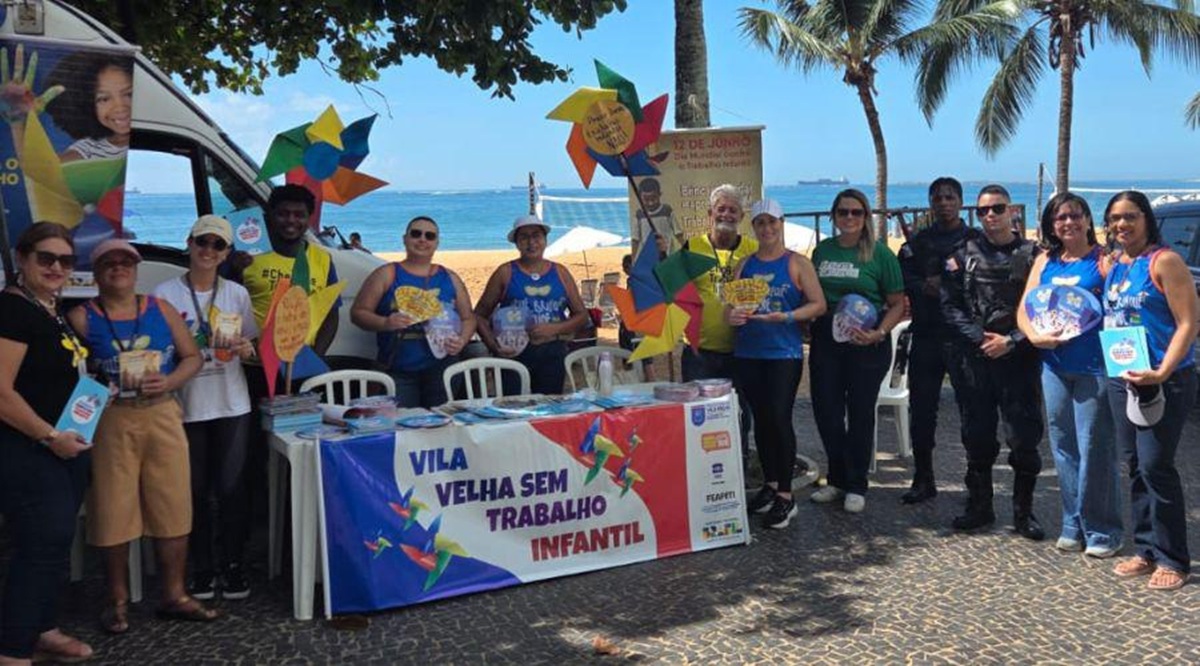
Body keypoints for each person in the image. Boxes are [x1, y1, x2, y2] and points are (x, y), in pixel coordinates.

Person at [67, 239, 216, 633]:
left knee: (173, 505)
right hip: (112, 419)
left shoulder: (160, 309)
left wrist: (168, 381)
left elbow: (193, 357)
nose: (119, 268)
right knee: (112, 509)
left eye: (126, 263)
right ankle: (116, 599)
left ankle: (174, 593)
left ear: (135, 269)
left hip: (161, 412)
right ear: (95, 273)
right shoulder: (82, 318)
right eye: (109, 264)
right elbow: (69, 374)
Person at [0, 223, 94, 664]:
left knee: (54, 543)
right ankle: (14, 652)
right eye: (46, 258)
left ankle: (43, 629)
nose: (57, 267)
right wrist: (50, 435)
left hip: (62, 448)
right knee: (40, 546)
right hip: (28, 448)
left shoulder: (49, 309)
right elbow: (1, 392)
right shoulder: (12, 311)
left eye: (66, 260)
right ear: (22, 259)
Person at [152, 215, 259, 601]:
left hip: (232, 403)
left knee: (232, 490)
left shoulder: (236, 294)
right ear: (189, 243)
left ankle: (232, 564)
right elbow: (158, 347)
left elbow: (250, 343)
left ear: (227, 253)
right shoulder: (165, 293)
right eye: (202, 242)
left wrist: (247, 349)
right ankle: (202, 568)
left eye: (217, 245)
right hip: (187, 404)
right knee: (192, 492)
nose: (208, 251)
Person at [1101, 190, 1198, 591]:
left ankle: (1174, 558)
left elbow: (1189, 324)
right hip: (1123, 378)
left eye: (1131, 217)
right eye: (1115, 218)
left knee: (1157, 465)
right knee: (1134, 465)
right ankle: (1145, 549)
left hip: (1163, 379)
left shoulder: (1166, 261)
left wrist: (1161, 371)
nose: (1122, 224)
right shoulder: (1119, 266)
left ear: (1146, 219)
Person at [1017, 193, 1122, 556]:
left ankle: (1103, 531)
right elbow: (1025, 309)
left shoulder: (1104, 260)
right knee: (1063, 448)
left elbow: (1122, 306)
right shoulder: (1046, 260)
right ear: (1051, 225)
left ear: (1088, 220)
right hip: (1054, 367)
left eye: (1074, 216)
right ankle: (1071, 523)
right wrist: (1034, 337)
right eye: (1059, 218)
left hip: (1095, 366)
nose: (1068, 223)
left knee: (1095, 446)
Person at [940, 185, 1044, 540]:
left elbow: (1044, 308)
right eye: (982, 210)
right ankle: (980, 506)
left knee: (1023, 439)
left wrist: (1012, 341)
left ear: (1011, 211)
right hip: (976, 358)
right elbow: (949, 304)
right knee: (977, 437)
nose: (990, 216)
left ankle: (1023, 513)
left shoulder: (1034, 254)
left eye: (997, 208)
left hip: (1018, 360)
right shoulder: (963, 253)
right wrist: (978, 337)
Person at [728, 199, 826, 528]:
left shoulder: (797, 263)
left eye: (772, 222)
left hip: (783, 354)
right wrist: (733, 316)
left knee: (780, 419)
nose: (767, 229)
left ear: (781, 223)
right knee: (761, 422)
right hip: (748, 352)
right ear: (753, 228)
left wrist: (786, 316)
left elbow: (818, 305)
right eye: (760, 223)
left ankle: (786, 495)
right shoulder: (744, 264)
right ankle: (771, 485)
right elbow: (733, 308)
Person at [807, 189, 905, 514]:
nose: (850, 218)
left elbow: (897, 304)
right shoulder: (821, 252)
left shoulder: (879, 255)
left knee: (860, 413)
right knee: (826, 411)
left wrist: (879, 332)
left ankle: (857, 482)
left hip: (866, 343)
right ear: (834, 216)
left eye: (857, 213)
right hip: (827, 340)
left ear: (866, 218)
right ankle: (836, 478)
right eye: (843, 212)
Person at [897, 176, 979, 504]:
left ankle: (977, 481)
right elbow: (905, 278)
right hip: (927, 335)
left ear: (960, 201)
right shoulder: (918, 242)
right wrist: (928, 285)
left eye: (950, 197)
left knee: (972, 411)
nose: (944, 203)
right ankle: (923, 477)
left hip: (963, 339)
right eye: (938, 198)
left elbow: (983, 282)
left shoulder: (975, 240)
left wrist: (941, 285)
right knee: (922, 411)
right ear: (931, 202)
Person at [352, 216, 476, 407]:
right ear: (405, 239)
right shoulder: (387, 274)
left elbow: (468, 318)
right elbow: (358, 313)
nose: (422, 239)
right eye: (416, 233)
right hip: (398, 369)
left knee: (440, 426)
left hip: (442, 368)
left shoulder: (449, 277)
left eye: (430, 236)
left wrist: (462, 341)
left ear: (437, 243)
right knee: (404, 428)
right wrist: (385, 323)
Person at [682, 184, 758, 459]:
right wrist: (662, 256)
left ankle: (739, 466)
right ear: (709, 214)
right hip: (699, 351)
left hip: (743, 349)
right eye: (721, 209)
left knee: (742, 414)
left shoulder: (753, 249)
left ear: (741, 216)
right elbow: (671, 290)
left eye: (732, 210)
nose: (726, 214)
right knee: (698, 416)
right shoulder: (692, 247)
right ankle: (704, 470)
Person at [474, 215, 588, 395]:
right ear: (517, 243)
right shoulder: (505, 273)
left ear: (545, 240)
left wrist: (555, 329)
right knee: (514, 411)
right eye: (524, 237)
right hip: (513, 354)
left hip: (552, 352)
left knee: (548, 411)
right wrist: (493, 346)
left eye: (536, 236)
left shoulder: (560, 273)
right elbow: (479, 315)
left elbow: (581, 315)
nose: (531, 242)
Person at [231, 184, 341, 356]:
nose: (291, 220)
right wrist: (233, 270)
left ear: (309, 219)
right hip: (250, 362)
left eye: (299, 215)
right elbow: (223, 303)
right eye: (283, 214)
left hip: (298, 364)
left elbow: (331, 315)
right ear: (269, 215)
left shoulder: (323, 260)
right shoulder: (245, 254)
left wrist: (315, 358)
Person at [43, 51, 133, 163]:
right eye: (104, 99)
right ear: (86, 106)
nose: (120, 107)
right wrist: (20, 120)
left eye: (129, 94)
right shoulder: (88, 150)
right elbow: (46, 173)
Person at [633, 177, 676, 256]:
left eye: (654, 198)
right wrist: (633, 260)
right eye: (646, 199)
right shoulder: (639, 215)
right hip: (648, 257)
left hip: (668, 255)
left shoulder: (667, 211)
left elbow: (678, 233)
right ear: (640, 197)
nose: (650, 203)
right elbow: (635, 240)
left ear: (660, 194)